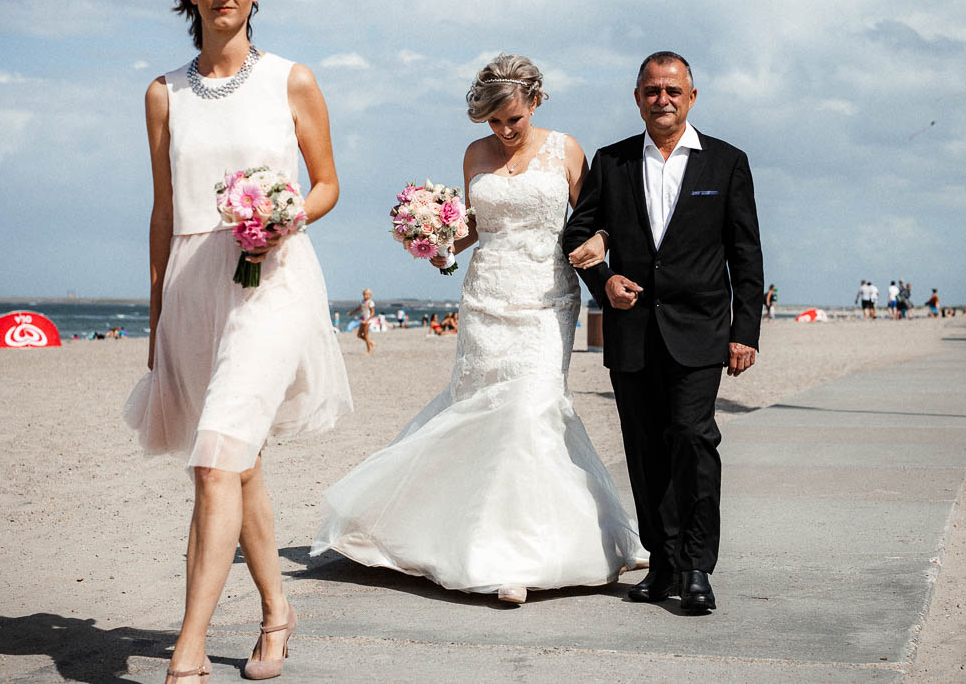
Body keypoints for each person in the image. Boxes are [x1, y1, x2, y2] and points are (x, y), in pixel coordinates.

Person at [314, 53, 642, 605]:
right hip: (485, 296)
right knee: (482, 409)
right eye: (494, 122)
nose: (505, 131)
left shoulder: (566, 150)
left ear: (535, 102)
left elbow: (594, 219)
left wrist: (603, 249)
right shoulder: (474, 155)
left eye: (513, 119)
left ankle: (524, 553)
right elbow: (473, 229)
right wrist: (432, 240)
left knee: (531, 408)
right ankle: (487, 549)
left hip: (546, 298)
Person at [122, 0, 351, 682]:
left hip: (272, 275)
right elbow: (161, 213)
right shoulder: (164, 93)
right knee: (236, 464)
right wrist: (155, 318)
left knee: (216, 459)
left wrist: (286, 215)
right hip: (191, 283)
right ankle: (277, 612)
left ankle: (188, 648)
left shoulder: (292, 79)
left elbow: (326, 182)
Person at [563, 51, 764, 614]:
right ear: (637, 98)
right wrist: (603, 281)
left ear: (691, 97)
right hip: (631, 333)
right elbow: (576, 234)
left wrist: (744, 330)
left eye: (674, 90)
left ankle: (697, 566)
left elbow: (745, 253)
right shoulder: (612, 162)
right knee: (646, 449)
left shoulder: (726, 163)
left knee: (693, 438)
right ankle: (663, 560)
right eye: (652, 90)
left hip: (701, 331)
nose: (663, 99)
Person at [348, 289, 376, 354]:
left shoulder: (371, 302)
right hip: (362, 319)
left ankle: (369, 350)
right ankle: (371, 343)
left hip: (368, 320)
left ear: (370, 295)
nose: (365, 296)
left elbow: (372, 313)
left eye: (366, 294)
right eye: (364, 294)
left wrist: (367, 320)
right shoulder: (363, 301)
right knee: (359, 335)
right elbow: (358, 308)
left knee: (366, 335)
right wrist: (351, 313)